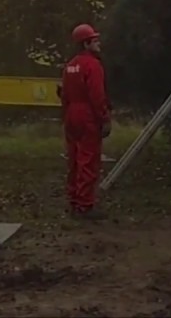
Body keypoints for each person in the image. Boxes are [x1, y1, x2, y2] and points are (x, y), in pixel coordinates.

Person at [61, 23, 111, 219]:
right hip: (87, 114)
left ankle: (74, 201)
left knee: (74, 160)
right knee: (88, 160)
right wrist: (104, 118)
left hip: (72, 113)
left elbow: (64, 93)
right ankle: (85, 206)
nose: (99, 43)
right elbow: (97, 95)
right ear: (85, 43)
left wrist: (66, 115)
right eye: (95, 40)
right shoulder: (93, 65)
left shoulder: (70, 65)